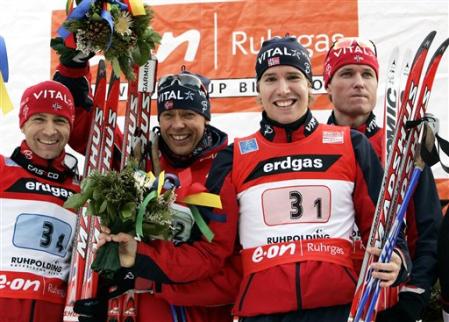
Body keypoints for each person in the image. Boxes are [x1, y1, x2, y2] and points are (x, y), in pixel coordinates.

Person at [203, 35, 410, 321]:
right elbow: (211, 250)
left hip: (339, 308)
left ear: (310, 86)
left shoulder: (351, 145)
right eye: (271, 79)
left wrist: (400, 259)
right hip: (263, 311)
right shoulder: (233, 157)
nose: (283, 89)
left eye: (293, 77)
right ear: (258, 91)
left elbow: (381, 226)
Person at [71, 69, 241, 322]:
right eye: (168, 115)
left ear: (205, 117)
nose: (178, 125)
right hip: (133, 312)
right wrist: (72, 67)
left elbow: (220, 262)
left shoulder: (227, 168)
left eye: (189, 114)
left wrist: (147, 275)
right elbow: (93, 134)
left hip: (197, 314)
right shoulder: (139, 158)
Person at [324, 37, 442, 322]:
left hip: (389, 302)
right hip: (326, 301)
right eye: (346, 73)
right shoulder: (314, 148)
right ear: (327, 86)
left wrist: (413, 296)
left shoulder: (401, 146)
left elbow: (428, 230)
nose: (359, 82)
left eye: (367, 74)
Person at [0, 80, 80, 322]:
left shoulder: (82, 189)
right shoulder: (3, 170)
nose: (49, 131)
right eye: (39, 119)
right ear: (23, 124)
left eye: (59, 120)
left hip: (52, 311)